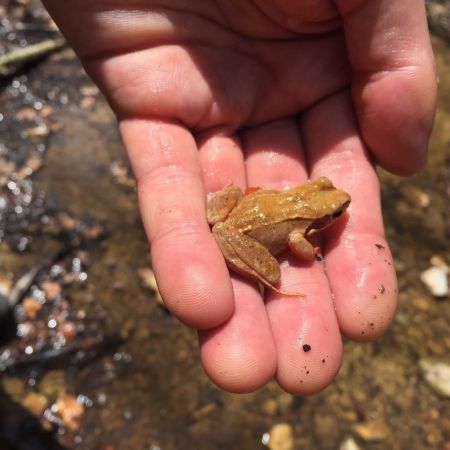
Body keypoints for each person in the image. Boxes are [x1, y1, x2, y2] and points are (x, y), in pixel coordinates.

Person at [41, 0, 436, 395]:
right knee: (278, 274)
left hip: (245, 209)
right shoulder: (307, 227)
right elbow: (298, 243)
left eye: (332, 204)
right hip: (245, 230)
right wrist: (311, 243)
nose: (338, 205)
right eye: (334, 209)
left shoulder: (299, 192)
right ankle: (267, 278)